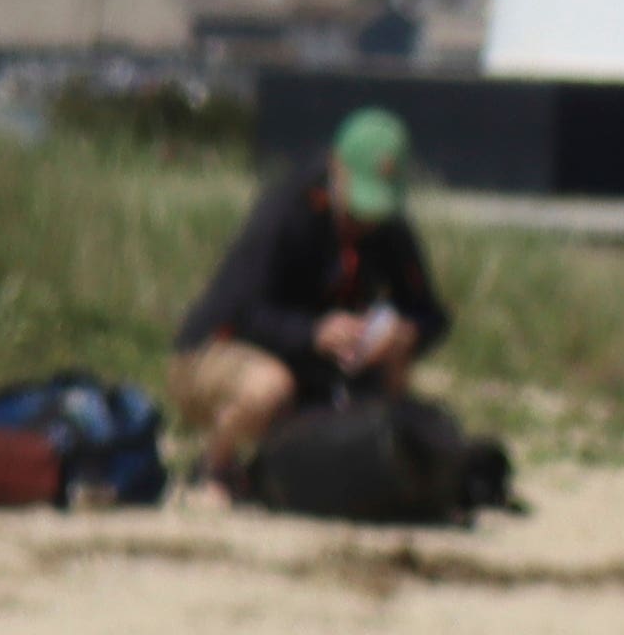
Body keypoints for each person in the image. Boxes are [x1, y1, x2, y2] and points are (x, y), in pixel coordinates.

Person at [166, 108, 451, 496]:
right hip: (216, 351)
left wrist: (404, 334)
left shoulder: (387, 225)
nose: (366, 219)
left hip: (312, 364)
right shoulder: (286, 210)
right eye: (359, 201)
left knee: (395, 360)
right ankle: (213, 468)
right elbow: (243, 309)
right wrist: (313, 333)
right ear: (336, 166)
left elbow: (431, 313)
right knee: (271, 387)